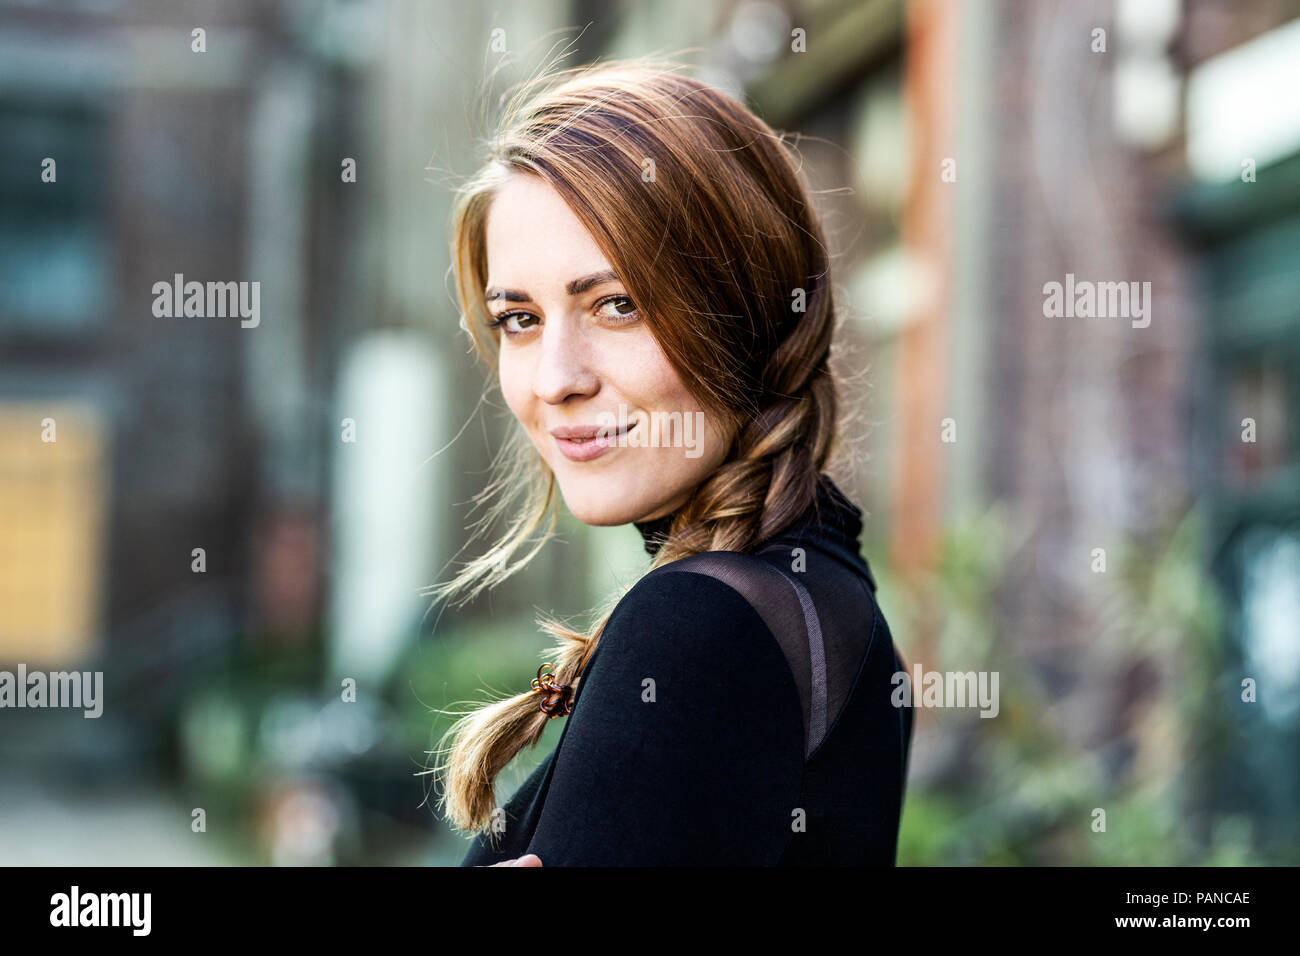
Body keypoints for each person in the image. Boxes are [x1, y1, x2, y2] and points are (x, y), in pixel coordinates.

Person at [432, 57, 913, 866]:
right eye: (518, 319)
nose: (557, 379)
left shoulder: (701, 626)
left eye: (617, 305)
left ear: (746, 310)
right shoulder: (820, 595)